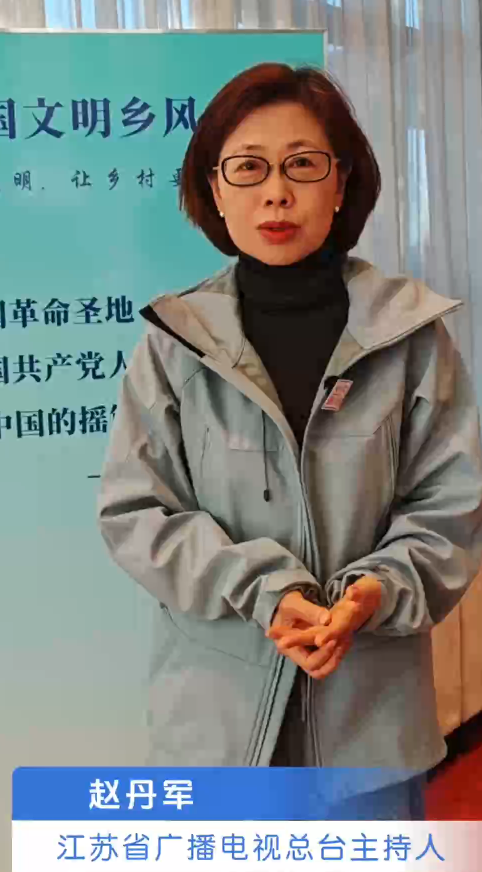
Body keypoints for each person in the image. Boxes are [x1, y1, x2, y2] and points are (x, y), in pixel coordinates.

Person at [98, 63, 482, 818]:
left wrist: (378, 589)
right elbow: (135, 512)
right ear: (215, 190)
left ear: (342, 185)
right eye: (248, 168)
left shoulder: (411, 337)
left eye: (303, 164)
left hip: (371, 730)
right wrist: (262, 591)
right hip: (216, 731)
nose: (276, 192)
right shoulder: (174, 342)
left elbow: (451, 508)